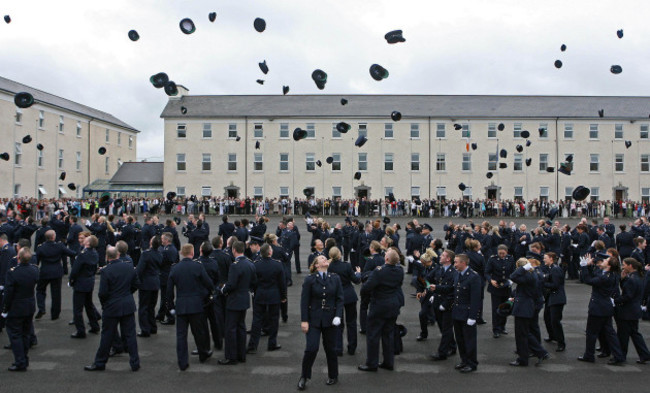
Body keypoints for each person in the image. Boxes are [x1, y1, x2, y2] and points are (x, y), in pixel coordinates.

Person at [84, 246, 140, 372]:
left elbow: (102, 293)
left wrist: (106, 304)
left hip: (112, 306)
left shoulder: (106, 271)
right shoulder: (129, 267)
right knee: (130, 335)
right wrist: (127, 294)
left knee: (107, 336)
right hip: (127, 304)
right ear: (118, 255)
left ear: (107, 257)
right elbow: (136, 284)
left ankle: (100, 362)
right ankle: (135, 362)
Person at [297, 255, 344, 390]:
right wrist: (304, 320)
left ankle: (333, 375)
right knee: (311, 348)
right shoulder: (310, 280)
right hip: (314, 319)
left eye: (325, 258)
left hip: (330, 319)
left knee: (331, 349)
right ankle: (304, 376)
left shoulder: (335, 278)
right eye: (322, 259)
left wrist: (338, 315)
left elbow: (340, 299)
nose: (325, 259)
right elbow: (304, 302)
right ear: (317, 265)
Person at [167, 244, 214, 370]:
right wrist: (208, 295)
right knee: (198, 332)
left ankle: (182, 362)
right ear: (192, 253)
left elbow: (169, 291)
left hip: (181, 305)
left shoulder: (175, 268)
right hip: (196, 304)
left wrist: (170, 306)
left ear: (182, 253)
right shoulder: (197, 266)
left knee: (181, 335)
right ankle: (203, 354)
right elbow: (209, 283)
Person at [358, 248, 405, 372]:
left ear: (387, 259)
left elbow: (366, 288)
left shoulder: (379, 271)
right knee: (388, 335)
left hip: (379, 306)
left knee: (373, 335)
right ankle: (388, 362)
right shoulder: (400, 271)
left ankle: (371, 363)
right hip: (393, 305)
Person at [577, 252, 626, 365]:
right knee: (610, 332)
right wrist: (589, 265)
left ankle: (589, 355)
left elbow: (588, 280)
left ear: (608, 266)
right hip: (606, 306)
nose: (602, 262)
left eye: (605, 261)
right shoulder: (611, 274)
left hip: (598, 307)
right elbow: (595, 273)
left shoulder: (605, 278)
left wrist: (584, 267)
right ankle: (618, 356)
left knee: (591, 332)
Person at [219, 241, 256, 365]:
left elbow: (231, 284)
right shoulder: (250, 264)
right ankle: (241, 354)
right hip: (244, 298)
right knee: (241, 327)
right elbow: (253, 282)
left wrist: (223, 289)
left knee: (230, 329)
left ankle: (231, 356)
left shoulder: (235, 265)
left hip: (234, 300)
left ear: (234, 250)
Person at [2, 247, 39, 371]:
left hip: (16, 306)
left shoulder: (12, 272)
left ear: (18, 258)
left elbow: (8, 293)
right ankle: (24, 358)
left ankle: (20, 361)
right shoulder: (34, 270)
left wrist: (5, 308)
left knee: (15, 335)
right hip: (29, 304)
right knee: (26, 333)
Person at [509, 258, 550, 366]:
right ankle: (537, 353)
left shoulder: (528, 276)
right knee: (524, 333)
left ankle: (528, 357)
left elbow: (513, 276)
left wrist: (522, 269)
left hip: (523, 307)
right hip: (525, 306)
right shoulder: (531, 275)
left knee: (522, 334)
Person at [247, 243, 287, 354]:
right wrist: (283, 296)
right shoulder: (277, 265)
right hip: (274, 295)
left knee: (257, 320)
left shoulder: (256, 264)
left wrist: (255, 291)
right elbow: (282, 283)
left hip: (260, 294)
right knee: (274, 320)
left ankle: (252, 345)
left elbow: (253, 282)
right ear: (270, 252)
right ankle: (272, 343)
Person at [326, 246, 361, 356]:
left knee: (337, 323)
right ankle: (352, 347)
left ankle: (338, 348)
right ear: (339, 255)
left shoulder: (329, 267)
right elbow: (356, 280)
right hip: (349, 295)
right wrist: (358, 273)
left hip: (336, 297)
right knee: (351, 323)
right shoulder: (346, 265)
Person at [615, 258, 650, 363]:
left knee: (623, 335)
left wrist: (614, 301)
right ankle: (644, 354)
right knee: (635, 333)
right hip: (634, 310)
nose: (623, 267)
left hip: (627, 311)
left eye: (624, 265)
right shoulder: (638, 277)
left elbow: (627, 295)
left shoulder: (631, 279)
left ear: (630, 266)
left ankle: (620, 356)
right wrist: (622, 279)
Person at [35, 230, 76, 320]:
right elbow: (71, 253)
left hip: (45, 271)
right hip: (56, 272)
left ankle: (41, 308)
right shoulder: (59, 246)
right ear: (53, 237)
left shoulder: (41, 247)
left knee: (40, 290)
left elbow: (36, 262)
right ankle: (55, 314)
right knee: (56, 294)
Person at [450, 254, 481, 373]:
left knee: (469, 340)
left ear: (464, 263)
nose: (455, 264)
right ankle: (464, 360)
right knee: (460, 339)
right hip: (457, 312)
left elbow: (476, 299)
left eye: (456, 262)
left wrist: (473, 316)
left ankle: (472, 363)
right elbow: (454, 291)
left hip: (467, 314)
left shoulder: (473, 277)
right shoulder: (457, 274)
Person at [428, 250, 458, 361]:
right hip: (437, 301)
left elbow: (452, 289)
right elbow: (429, 277)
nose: (440, 256)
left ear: (448, 259)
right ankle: (452, 346)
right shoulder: (439, 268)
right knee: (442, 326)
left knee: (446, 328)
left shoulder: (454, 272)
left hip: (447, 303)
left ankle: (442, 352)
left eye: (443, 256)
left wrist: (437, 289)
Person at [69, 235, 100, 338]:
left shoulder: (83, 254)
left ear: (88, 243)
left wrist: (71, 280)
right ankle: (94, 325)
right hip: (89, 281)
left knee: (78, 309)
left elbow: (75, 269)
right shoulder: (95, 253)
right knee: (89, 305)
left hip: (81, 282)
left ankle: (80, 331)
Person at [484, 245, 515, 338]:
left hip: (506, 287)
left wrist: (511, 280)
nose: (501, 255)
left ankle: (502, 326)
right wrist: (490, 280)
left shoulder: (510, 259)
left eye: (503, 253)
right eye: (500, 253)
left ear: (507, 252)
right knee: (496, 309)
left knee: (505, 307)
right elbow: (487, 272)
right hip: (496, 287)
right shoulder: (492, 259)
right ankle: (496, 329)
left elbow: (513, 271)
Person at [135, 236, 162, 337]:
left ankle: (145, 329)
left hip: (146, 283)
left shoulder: (146, 254)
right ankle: (152, 326)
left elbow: (139, 270)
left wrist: (136, 282)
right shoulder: (160, 253)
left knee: (143, 307)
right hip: (155, 282)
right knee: (151, 306)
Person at [542, 252, 566, 352]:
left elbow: (555, 284)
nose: (544, 260)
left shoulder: (555, 269)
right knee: (547, 317)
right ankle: (552, 336)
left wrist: (543, 282)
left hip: (557, 298)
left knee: (555, 321)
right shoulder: (551, 268)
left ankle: (561, 343)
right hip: (551, 297)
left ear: (551, 259)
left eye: (545, 258)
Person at [158, 232, 179, 325]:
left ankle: (170, 317)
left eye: (162, 239)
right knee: (166, 297)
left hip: (165, 276)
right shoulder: (173, 249)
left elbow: (161, 263)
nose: (161, 240)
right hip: (169, 275)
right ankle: (161, 314)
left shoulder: (166, 251)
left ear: (166, 240)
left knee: (166, 298)